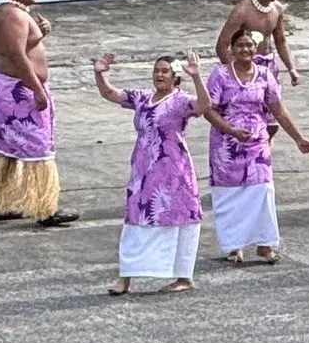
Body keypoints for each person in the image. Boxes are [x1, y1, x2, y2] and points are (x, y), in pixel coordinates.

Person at [94, 51, 242, 295]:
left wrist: (196, 77)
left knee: (180, 218)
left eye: (165, 71)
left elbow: (205, 106)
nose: (159, 75)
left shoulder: (180, 100)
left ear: (175, 77)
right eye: (157, 70)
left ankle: (184, 277)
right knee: (136, 218)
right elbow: (110, 93)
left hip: (174, 169)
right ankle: (125, 278)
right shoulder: (142, 97)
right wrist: (100, 73)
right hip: (143, 169)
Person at [205, 30, 309, 265]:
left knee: (262, 192)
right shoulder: (220, 75)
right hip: (226, 147)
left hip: (257, 145)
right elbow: (209, 110)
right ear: (231, 49)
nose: (245, 49)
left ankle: (265, 245)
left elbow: (278, 110)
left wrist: (298, 138)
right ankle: (234, 246)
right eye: (240, 46)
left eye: (249, 45)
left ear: (255, 49)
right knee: (231, 196)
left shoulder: (265, 74)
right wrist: (232, 131)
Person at [0, 0, 77, 227]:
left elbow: (19, 46)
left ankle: (5, 202)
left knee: (9, 145)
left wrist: (41, 34)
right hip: (18, 90)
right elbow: (15, 55)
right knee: (38, 147)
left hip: (9, 85)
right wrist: (36, 88)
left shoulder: (12, 12)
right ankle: (46, 208)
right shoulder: (12, 14)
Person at [215, 0, 303, 88]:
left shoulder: (277, 8)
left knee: (273, 105)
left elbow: (281, 41)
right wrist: (236, 75)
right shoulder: (242, 11)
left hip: (268, 67)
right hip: (245, 68)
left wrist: (292, 69)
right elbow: (222, 46)